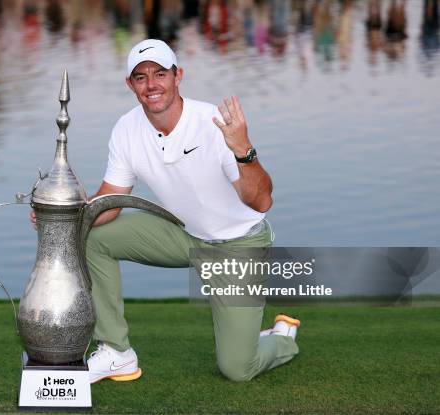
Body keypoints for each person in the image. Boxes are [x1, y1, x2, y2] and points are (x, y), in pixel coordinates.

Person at [32, 39, 300, 383]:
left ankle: (281, 337)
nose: (151, 85)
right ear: (130, 85)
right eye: (140, 77)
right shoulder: (126, 129)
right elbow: (109, 202)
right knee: (88, 235)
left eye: (160, 74)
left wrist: (243, 149)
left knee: (237, 368)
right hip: (183, 234)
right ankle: (117, 353)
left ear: (178, 76)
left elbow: (261, 202)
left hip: (239, 245)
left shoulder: (215, 124)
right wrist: (62, 219)